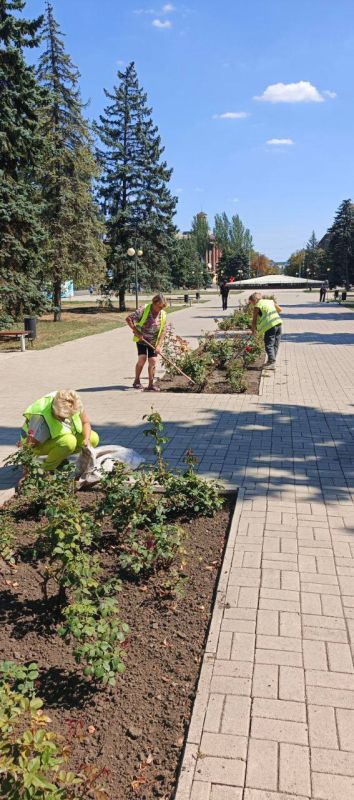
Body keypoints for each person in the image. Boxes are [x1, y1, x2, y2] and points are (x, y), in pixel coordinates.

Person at [20, 390, 99, 471]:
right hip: (36, 442)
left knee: (93, 438)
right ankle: (45, 470)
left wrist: (86, 439)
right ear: (54, 410)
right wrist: (27, 471)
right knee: (69, 442)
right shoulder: (41, 417)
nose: (66, 419)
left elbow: (85, 422)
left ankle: (58, 459)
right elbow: (28, 447)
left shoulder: (72, 401)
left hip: (59, 437)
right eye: (62, 417)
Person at [126, 293, 167, 392]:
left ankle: (150, 385)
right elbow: (128, 319)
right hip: (142, 339)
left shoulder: (163, 314)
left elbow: (163, 331)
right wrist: (136, 332)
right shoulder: (144, 309)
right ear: (154, 303)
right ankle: (136, 381)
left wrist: (158, 345)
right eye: (159, 306)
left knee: (153, 361)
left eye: (163, 307)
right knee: (142, 359)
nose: (160, 309)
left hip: (153, 342)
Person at [249, 292, 282, 370]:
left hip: (270, 326)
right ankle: (271, 361)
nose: (252, 304)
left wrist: (253, 332)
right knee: (275, 344)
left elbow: (254, 321)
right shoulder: (270, 301)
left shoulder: (257, 306)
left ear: (254, 300)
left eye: (251, 302)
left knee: (269, 344)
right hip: (278, 323)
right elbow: (280, 310)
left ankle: (272, 362)